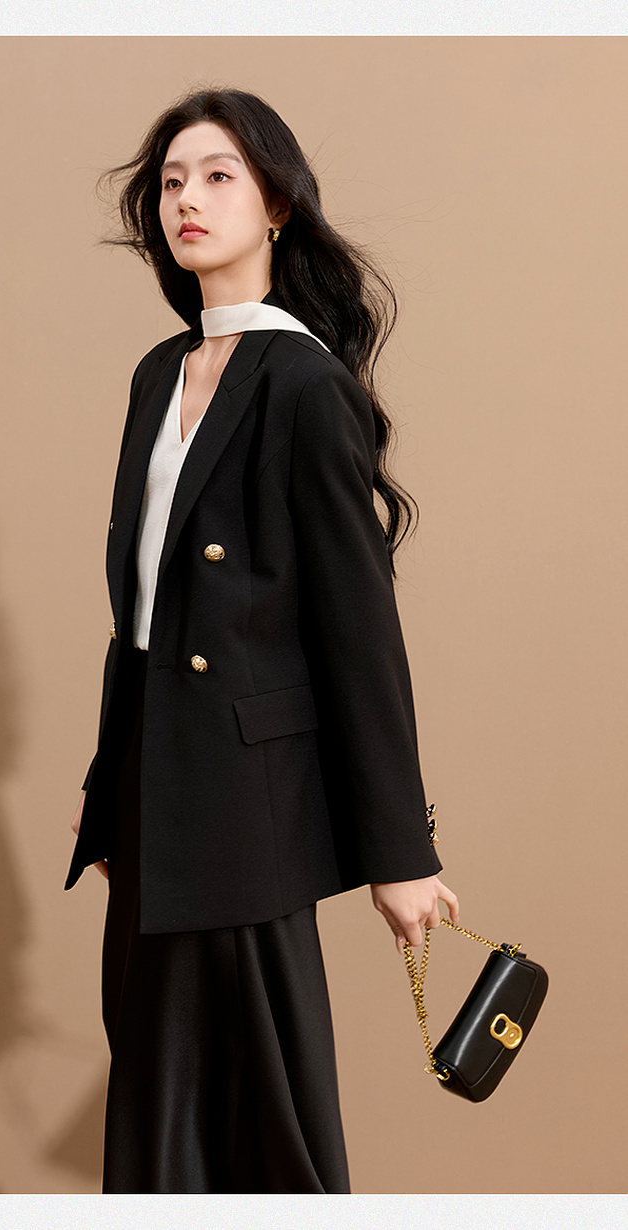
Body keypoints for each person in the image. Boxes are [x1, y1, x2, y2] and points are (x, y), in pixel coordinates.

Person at [65, 86, 459, 1194]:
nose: (185, 200)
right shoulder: (160, 372)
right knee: (157, 1083)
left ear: (277, 203)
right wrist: (109, 794)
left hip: (247, 804)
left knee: (260, 1105)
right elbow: (144, 613)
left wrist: (401, 854)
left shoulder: (306, 385)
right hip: (152, 788)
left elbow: (359, 632)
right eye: (170, 182)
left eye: (217, 176)